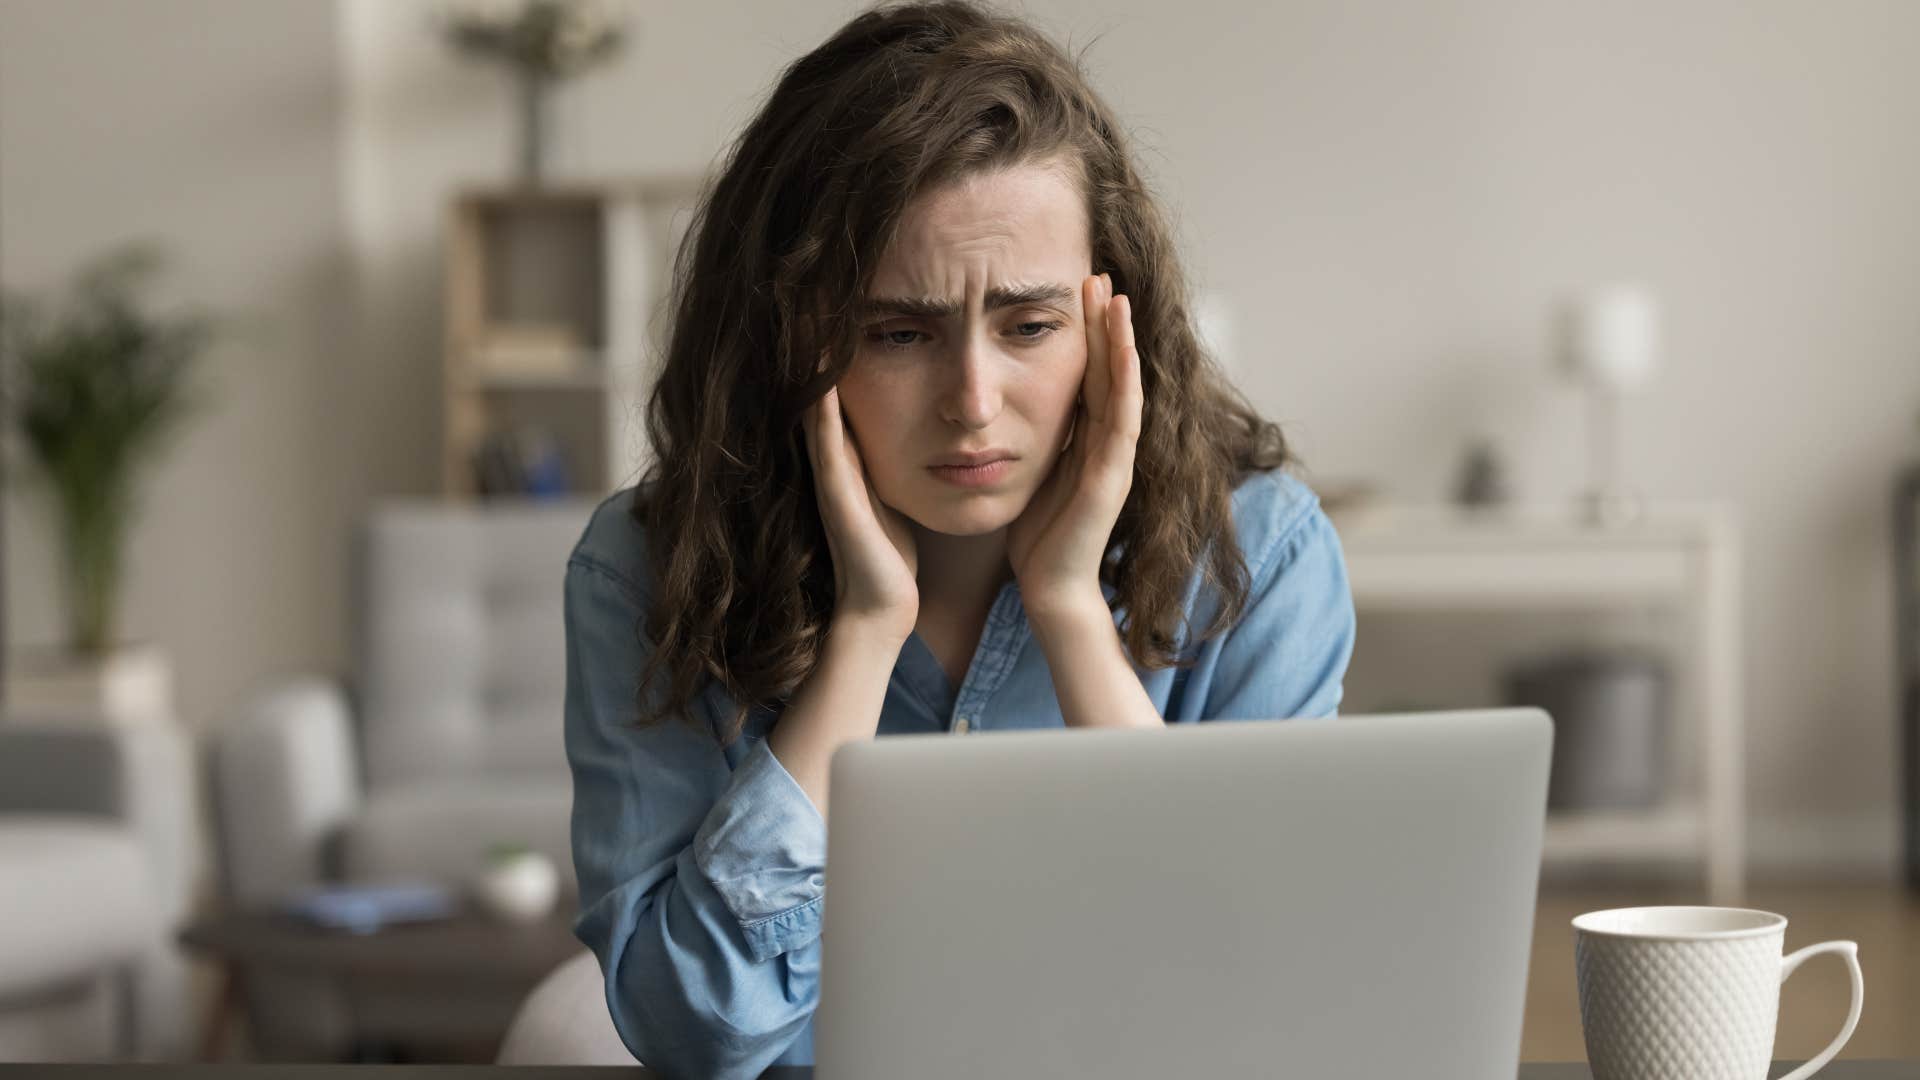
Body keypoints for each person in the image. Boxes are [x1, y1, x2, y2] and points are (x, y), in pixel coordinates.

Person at [563, 2, 1356, 1075]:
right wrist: (862, 639)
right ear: (785, 338)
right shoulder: (645, 568)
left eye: (1029, 326)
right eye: (899, 334)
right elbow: (693, 1034)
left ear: (1113, 321)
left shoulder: (1259, 555)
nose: (973, 402)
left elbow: (1257, 1006)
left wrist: (1073, 616)